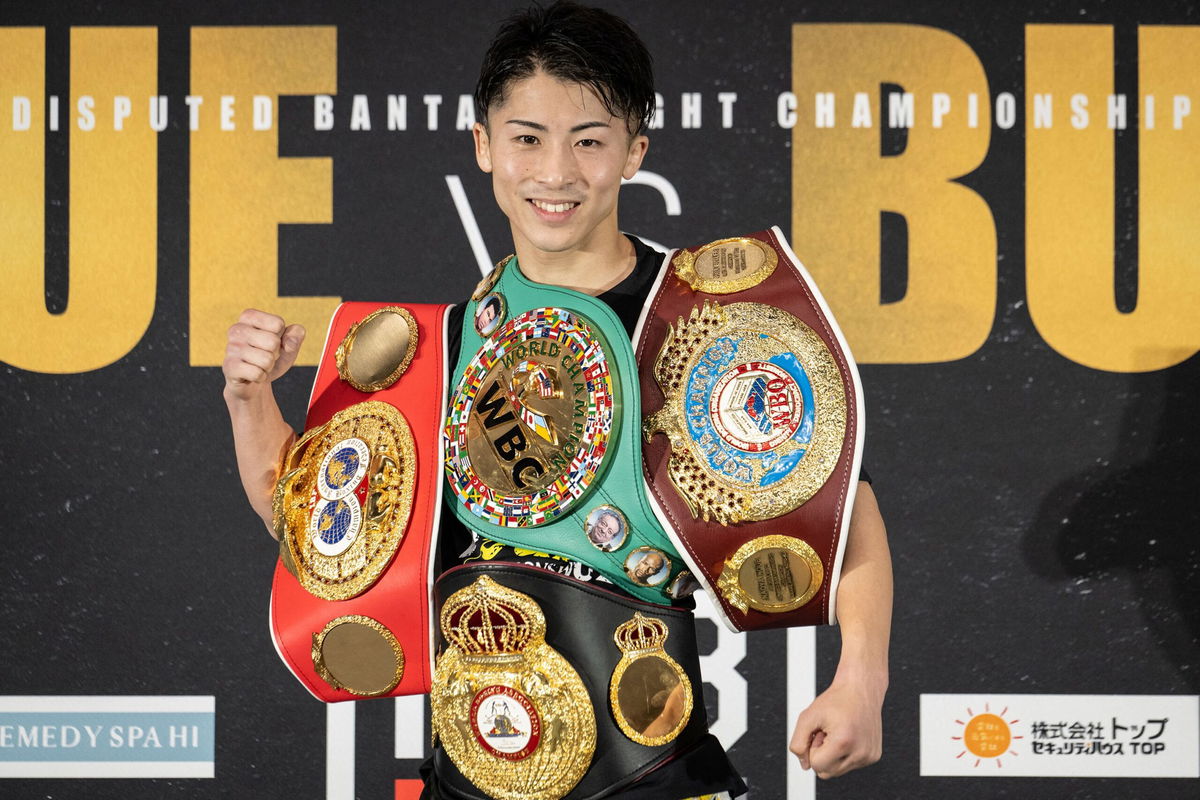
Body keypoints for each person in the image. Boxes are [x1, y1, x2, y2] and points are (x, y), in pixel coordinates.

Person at [222, 2, 892, 796]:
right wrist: (248, 398)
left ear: (634, 150)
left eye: (589, 141)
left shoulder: (702, 319)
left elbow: (842, 519)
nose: (555, 174)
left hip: (651, 776)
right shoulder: (434, 350)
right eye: (528, 138)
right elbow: (308, 530)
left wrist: (861, 680)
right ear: (484, 146)